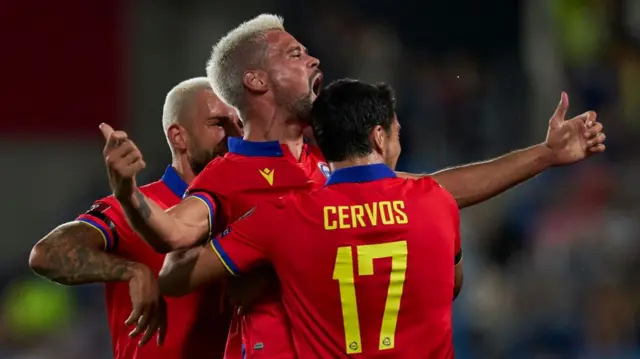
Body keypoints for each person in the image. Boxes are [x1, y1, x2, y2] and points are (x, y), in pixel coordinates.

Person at [100, 14, 606, 359]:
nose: (313, 59)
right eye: (295, 53)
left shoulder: (330, 158)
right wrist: (128, 196)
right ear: (256, 81)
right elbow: (172, 239)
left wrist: (545, 155)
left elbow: (429, 189)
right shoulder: (227, 175)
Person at [158, 78, 464, 358]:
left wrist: (263, 272)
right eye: (397, 133)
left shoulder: (284, 216)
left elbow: (174, 277)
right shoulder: (436, 199)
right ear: (379, 137)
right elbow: (453, 283)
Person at [29, 77, 240, 359]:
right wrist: (131, 271)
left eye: (238, 124)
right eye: (217, 124)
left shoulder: (250, 204)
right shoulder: (136, 208)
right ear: (179, 136)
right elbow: (47, 254)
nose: (233, 135)